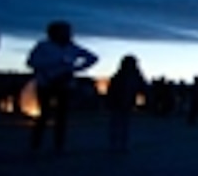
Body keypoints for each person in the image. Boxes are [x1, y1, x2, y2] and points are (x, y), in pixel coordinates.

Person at [26, 20, 98, 154]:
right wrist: (56, 63)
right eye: (65, 31)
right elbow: (31, 62)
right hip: (45, 83)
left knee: (62, 116)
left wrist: (76, 68)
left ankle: (59, 145)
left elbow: (92, 58)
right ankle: (36, 144)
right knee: (44, 114)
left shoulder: (72, 47)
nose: (69, 34)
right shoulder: (43, 46)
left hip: (64, 84)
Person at [106, 54, 147, 153]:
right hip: (123, 102)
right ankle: (120, 144)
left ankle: (117, 144)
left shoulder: (119, 75)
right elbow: (143, 87)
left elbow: (111, 90)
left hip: (122, 102)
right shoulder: (133, 75)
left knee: (119, 124)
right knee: (122, 124)